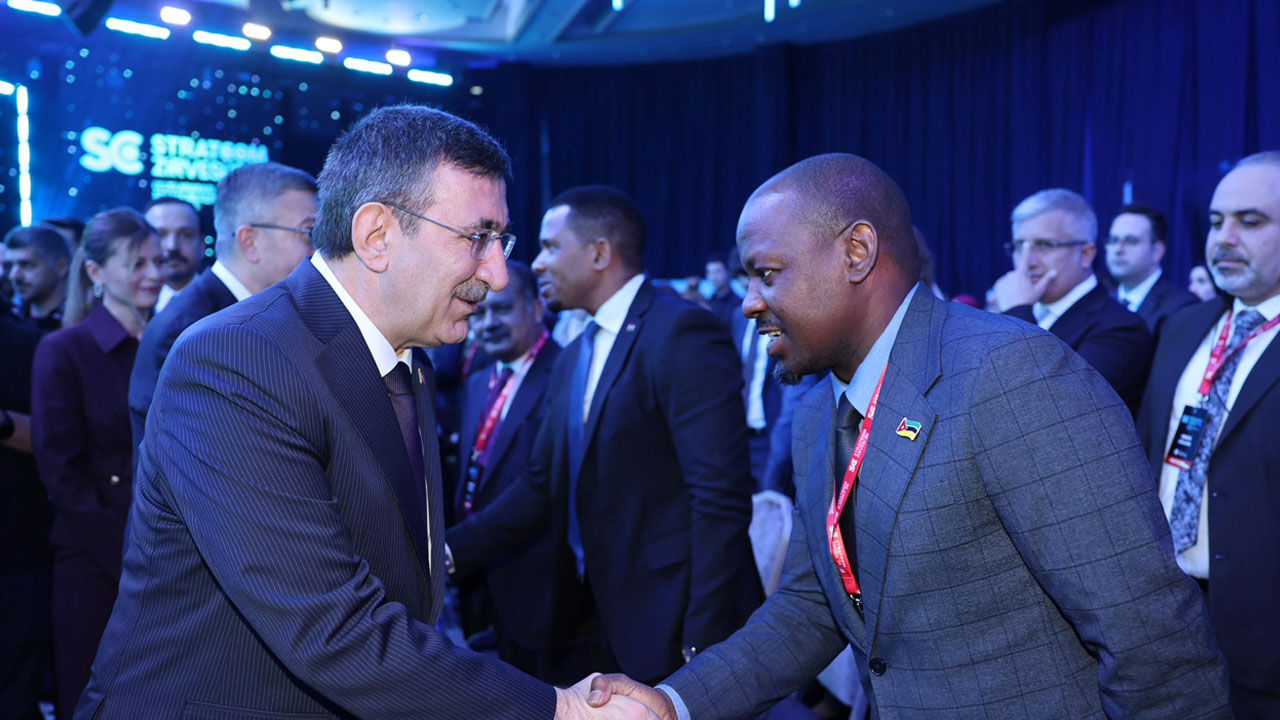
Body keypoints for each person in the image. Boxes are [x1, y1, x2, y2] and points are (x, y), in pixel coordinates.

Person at [586, 153, 1230, 719]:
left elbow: (1147, 634)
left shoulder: (1011, 374)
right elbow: (815, 602)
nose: (751, 300)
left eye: (769, 273)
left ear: (857, 252)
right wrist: (672, 704)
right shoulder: (816, 410)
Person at [76, 106, 653, 720]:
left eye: (501, 241)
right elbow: (331, 627)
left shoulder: (409, 360)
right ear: (376, 235)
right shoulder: (236, 359)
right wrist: (557, 710)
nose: (496, 273)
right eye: (477, 238)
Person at [448, 186, 762, 685]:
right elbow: (539, 485)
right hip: (597, 618)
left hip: (678, 620)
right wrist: (447, 552)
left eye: (551, 247)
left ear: (599, 253)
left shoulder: (682, 332)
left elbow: (719, 499)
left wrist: (703, 639)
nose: (538, 263)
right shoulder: (576, 353)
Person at [1135, 151, 1280, 719]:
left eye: (1251, 221)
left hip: (1265, 639)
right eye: (1217, 221)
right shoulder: (1184, 327)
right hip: (1168, 619)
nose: (1225, 238)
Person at [31, 208, 164, 720]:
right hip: (95, 565)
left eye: (157, 262)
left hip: (166, 560)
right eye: (137, 263)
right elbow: (61, 473)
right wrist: (132, 558)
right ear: (95, 272)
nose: (153, 274)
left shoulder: (174, 343)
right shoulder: (63, 350)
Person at [129, 162, 318, 454]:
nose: (317, 251)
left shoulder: (259, 314)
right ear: (250, 242)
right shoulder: (189, 329)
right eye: (308, 232)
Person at [451, 260, 563, 678]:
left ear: (535, 308)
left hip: (541, 585)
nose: (489, 324)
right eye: (479, 313)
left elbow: (543, 488)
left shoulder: (564, 372)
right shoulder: (479, 380)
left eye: (502, 310)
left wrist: (453, 549)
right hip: (481, 581)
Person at [993, 188, 1153, 411]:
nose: (1027, 262)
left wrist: (1016, 313)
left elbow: (1059, 408)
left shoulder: (1121, 328)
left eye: (1045, 245)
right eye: (1020, 246)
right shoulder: (1020, 310)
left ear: (1086, 254)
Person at [1104, 204, 1198, 333]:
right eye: (1114, 240)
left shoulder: (1182, 308)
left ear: (1157, 251)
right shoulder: (1101, 303)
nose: (1118, 250)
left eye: (1131, 241)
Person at [5, 223, 72, 331]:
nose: (14, 276)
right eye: (9, 266)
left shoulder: (82, 322)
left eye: (27, 265)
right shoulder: (9, 318)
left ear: (61, 267)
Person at [143, 197, 203, 312]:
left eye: (185, 235)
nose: (172, 246)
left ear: (202, 245)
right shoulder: (124, 306)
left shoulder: (226, 306)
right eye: (159, 234)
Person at [704, 253, 742, 329]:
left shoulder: (739, 304)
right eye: (710, 273)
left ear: (728, 272)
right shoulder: (707, 303)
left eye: (718, 271)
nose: (714, 277)